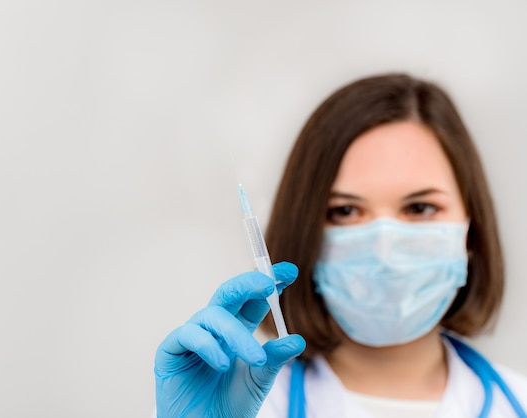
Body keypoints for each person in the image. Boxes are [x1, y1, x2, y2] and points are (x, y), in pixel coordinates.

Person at [153, 74, 527, 417]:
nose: (384, 250)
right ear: (305, 233)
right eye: (345, 210)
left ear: (471, 232)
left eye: (420, 207)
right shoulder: (249, 407)